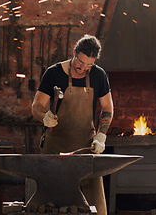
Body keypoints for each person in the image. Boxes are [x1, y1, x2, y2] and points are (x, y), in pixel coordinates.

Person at [31, 34, 113, 215]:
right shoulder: (54, 73)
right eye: (80, 63)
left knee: (96, 209)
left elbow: (107, 107)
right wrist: (44, 117)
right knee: (51, 206)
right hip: (56, 150)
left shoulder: (99, 75)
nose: (83, 69)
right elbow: (36, 106)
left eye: (89, 65)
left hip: (85, 151)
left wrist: (101, 135)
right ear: (74, 53)